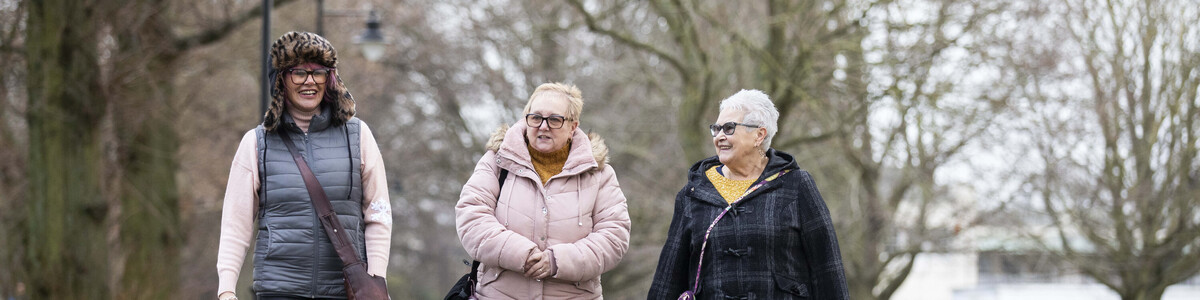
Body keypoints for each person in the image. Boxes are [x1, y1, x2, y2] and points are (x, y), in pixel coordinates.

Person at [216, 32, 392, 300]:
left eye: (318, 72)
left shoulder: (358, 136)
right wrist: (227, 290)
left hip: (344, 291)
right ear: (281, 80)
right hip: (279, 290)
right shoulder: (257, 142)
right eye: (299, 73)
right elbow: (235, 224)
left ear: (329, 79)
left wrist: (375, 280)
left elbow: (378, 215)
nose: (310, 81)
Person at [648, 90, 849, 299]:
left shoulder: (796, 185)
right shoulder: (692, 194)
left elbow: (827, 270)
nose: (720, 136)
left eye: (729, 128)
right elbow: (667, 281)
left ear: (759, 135)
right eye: (716, 129)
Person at [456, 83, 631, 299]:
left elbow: (614, 237)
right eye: (536, 117)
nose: (543, 126)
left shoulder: (599, 174)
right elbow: (471, 218)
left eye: (555, 120)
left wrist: (556, 262)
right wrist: (523, 255)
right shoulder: (497, 162)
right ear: (526, 120)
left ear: (573, 127)